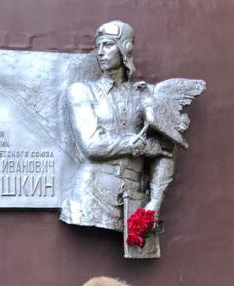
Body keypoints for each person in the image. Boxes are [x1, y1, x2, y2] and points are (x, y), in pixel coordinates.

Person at [61, 20, 174, 232]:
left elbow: (166, 151)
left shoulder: (144, 95)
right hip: (90, 198)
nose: (100, 52)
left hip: (133, 200)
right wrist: (140, 146)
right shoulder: (82, 91)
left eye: (108, 45)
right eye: (98, 46)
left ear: (125, 49)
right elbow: (92, 145)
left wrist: (155, 202)